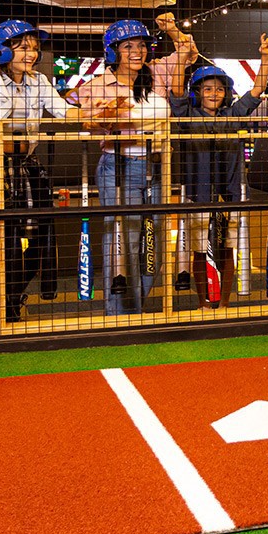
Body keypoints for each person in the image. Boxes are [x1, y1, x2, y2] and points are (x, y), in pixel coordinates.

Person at [0, 0, 78, 322]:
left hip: (27, 165)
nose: (31, 54)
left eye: (33, 48)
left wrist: (97, 114)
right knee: (3, 242)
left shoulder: (39, 81)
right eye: (22, 47)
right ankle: (2, 298)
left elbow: (64, 111)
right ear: (3, 49)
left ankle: (10, 293)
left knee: (41, 238)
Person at [73, 18, 194, 314]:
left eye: (142, 45)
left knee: (155, 244)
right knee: (123, 243)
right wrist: (103, 118)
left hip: (159, 168)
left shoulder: (157, 72)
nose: (137, 51)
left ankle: (134, 310)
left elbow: (188, 51)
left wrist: (172, 29)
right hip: (119, 167)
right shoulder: (99, 85)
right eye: (128, 46)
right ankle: (119, 316)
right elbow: (81, 117)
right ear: (113, 51)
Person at [169, 34, 268, 303]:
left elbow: (257, 91)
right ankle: (204, 302)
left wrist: (265, 58)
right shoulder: (188, 116)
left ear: (226, 93)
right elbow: (177, 92)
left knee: (227, 250)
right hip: (198, 196)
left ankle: (224, 301)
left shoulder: (232, 115)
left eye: (219, 89)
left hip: (231, 194)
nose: (213, 94)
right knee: (200, 252)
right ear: (197, 93)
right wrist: (182, 57)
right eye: (207, 89)